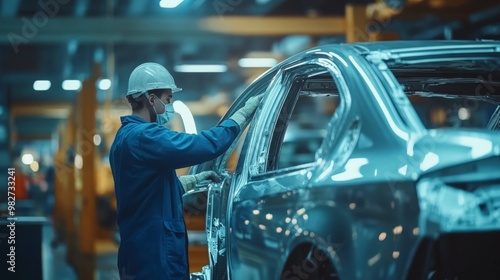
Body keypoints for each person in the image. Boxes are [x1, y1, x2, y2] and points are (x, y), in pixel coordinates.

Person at [109, 62, 262, 280]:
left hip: (138, 248)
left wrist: (194, 180)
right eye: (168, 98)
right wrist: (242, 115)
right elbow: (207, 145)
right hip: (156, 252)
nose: (170, 105)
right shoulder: (146, 136)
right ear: (151, 99)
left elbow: (146, 191)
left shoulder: (123, 138)